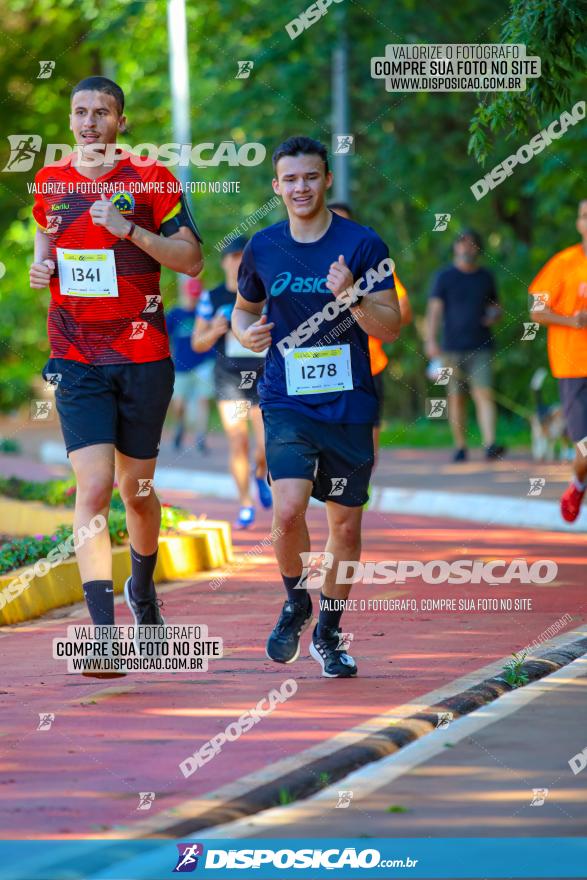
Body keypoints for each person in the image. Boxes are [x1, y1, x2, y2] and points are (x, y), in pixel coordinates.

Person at [29, 77, 203, 664]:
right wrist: (40, 264)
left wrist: (129, 229)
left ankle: (143, 586)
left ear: (120, 122)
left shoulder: (152, 179)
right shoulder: (52, 182)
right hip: (76, 356)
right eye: (80, 112)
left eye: (102, 112)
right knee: (95, 487)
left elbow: (191, 258)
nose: (89, 122)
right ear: (71, 120)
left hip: (143, 357)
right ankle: (102, 635)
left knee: (138, 491)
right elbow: (44, 231)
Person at [231, 136, 401, 677]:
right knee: (286, 510)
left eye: (311, 177)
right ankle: (295, 600)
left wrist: (352, 294)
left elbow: (390, 325)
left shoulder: (363, 242)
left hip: (349, 399)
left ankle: (329, 630)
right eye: (290, 179)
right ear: (276, 186)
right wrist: (246, 334)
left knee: (346, 528)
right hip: (285, 397)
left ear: (326, 179)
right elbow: (242, 310)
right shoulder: (264, 246)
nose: (301, 187)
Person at [193, 236, 271, 528]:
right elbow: (198, 343)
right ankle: (245, 505)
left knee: (266, 446)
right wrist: (214, 329)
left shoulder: (265, 294)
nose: (239, 262)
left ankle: (261, 475)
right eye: (234, 256)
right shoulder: (211, 299)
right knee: (238, 442)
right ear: (225, 261)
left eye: (244, 256)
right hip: (230, 380)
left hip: (264, 377)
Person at [329, 202, 412, 459]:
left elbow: (403, 313)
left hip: (368, 365)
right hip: (325, 367)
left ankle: (358, 493)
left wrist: (361, 304)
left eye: (344, 226)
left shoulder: (372, 267)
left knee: (366, 450)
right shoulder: (308, 263)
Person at [529, 200, 587, 522]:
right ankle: (578, 482)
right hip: (574, 367)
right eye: (584, 216)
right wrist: (572, 321)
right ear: (579, 224)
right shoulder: (563, 263)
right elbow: (536, 309)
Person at [425, 229, 505, 462]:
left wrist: (495, 314)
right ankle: (460, 446)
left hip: (482, 346)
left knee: (484, 394)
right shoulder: (444, 277)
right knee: (456, 398)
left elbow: (497, 307)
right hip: (451, 348)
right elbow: (434, 311)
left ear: (478, 249)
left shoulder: (486, 277)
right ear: (455, 247)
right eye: (462, 243)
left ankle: (490, 444)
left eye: (472, 243)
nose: (467, 247)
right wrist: (430, 341)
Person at [166, 277, 214, 453]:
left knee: (203, 400)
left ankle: (200, 437)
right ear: (185, 294)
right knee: (179, 403)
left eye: (196, 295)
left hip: (204, 363)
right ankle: (179, 426)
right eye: (191, 295)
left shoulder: (205, 313)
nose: (193, 299)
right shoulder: (175, 314)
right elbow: (164, 336)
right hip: (181, 365)